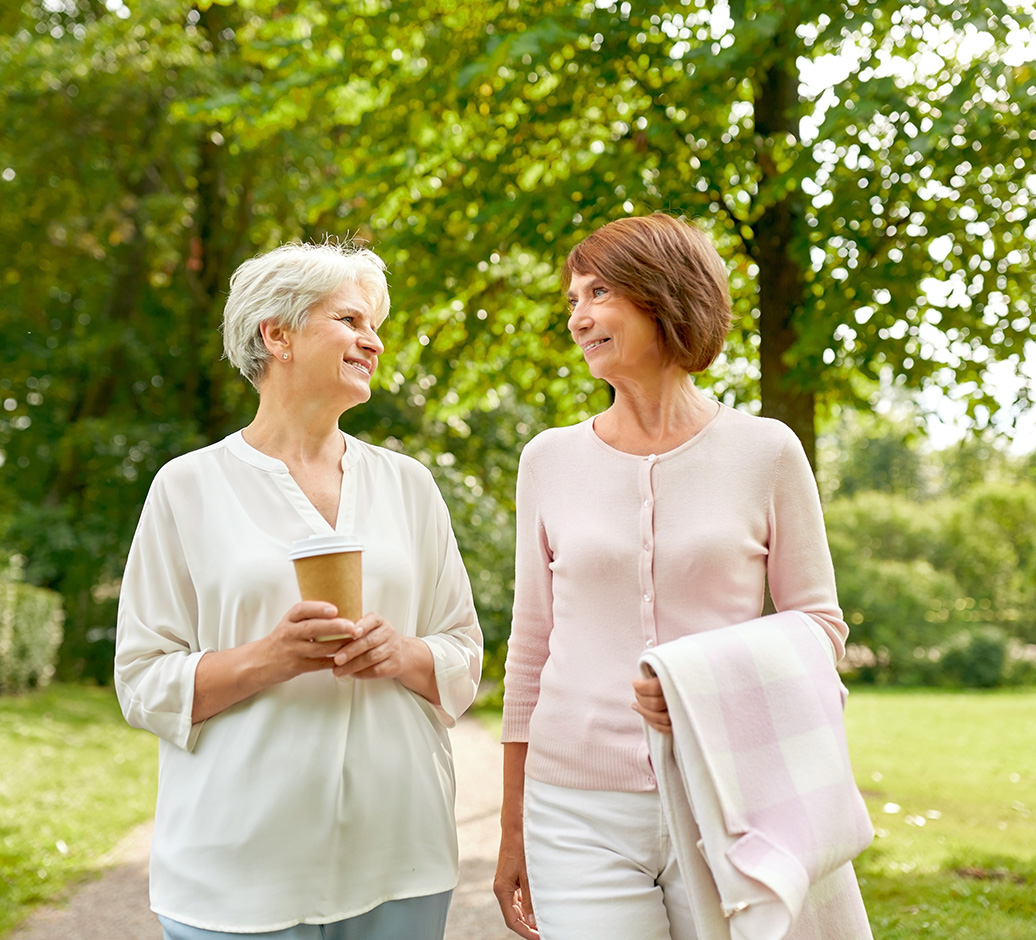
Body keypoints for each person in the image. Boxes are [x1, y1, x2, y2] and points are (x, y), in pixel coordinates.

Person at [493, 213, 852, 939]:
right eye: (572, 300)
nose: (579, 316)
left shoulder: (767, 452)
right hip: (574, 806)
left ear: (666, 295)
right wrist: (512, 828)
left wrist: (699, 685)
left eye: (599, 293)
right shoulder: (548, 460)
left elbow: (820, 626)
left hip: (727, 794)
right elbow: (530, 649)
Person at [115, 240, 483, 940]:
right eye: (350, 320)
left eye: (375, 326)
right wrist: (271, 657)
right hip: (238, 872)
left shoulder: (410, 486)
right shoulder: (188, 487)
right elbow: (141, 680)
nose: (372, 342)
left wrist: (401, 652)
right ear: (276, 334)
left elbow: (464, 650)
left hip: (400, 859)